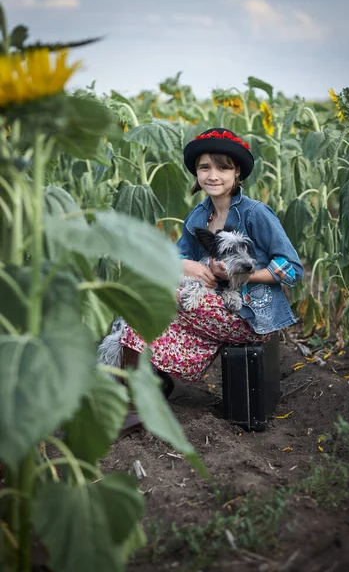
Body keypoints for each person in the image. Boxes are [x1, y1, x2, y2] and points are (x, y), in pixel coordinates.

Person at [118, 128, 304, 410]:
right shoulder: (198, 216)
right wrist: (186, 264)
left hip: (251, 314)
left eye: (222, 168)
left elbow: (292, 269)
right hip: (216, 304)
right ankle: (149, 384)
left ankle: (134, 401)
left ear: (236, 172)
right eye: (205, 167)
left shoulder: (255, 213)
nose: (213, 175)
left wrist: (239, 274)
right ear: (196, 172)